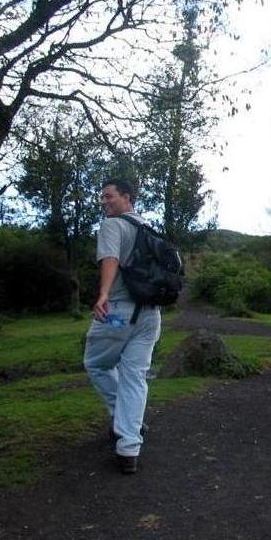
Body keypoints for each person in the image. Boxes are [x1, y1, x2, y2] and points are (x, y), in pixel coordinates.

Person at [83, 179, 161, 474]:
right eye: (102, 196)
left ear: (126, 197)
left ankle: (123, 419)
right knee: (135, 377)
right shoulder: (147, 228)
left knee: (96, 364)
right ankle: (129, 446)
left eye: (109, 196)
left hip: (118, 312)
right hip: (151, 315)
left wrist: (103, 293)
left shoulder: (112, 225)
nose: (104, 201)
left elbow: (110, 258)